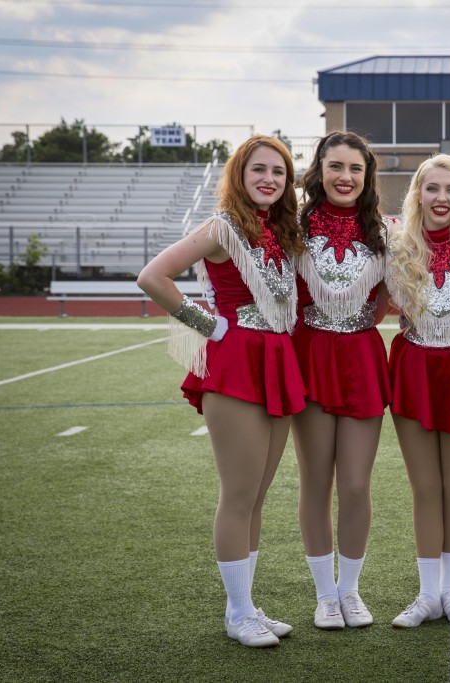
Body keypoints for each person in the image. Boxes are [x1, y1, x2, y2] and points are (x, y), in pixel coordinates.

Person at [136, 135, 306, 648]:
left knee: (256, 496)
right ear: (239, 174)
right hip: (235, 363)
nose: (269, 179)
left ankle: (248, 605)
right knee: (237, 494)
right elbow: (153, 277)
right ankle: (236, 613)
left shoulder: (280, 230)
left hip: (277, 359)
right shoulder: (220, 227)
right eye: (258, 170)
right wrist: (209, 326)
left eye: (278, 172)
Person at [384, 155, 450, 628]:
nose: (442, 198)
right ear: (418, 194)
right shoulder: (395, 245)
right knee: (425, 486)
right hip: (412, 365)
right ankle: (428, 595)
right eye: (433, 189)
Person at [292, 131, 391, 630]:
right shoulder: (293, 228)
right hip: (309, 356)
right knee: (316, 480)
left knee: (355, 483)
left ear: (367, 176)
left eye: (355, 168)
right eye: (335, 166)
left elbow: (400, 292)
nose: (345, 177)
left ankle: (350, 591)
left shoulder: (385, 232)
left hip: (361, 359)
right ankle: (325, 595)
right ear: (319, 170)